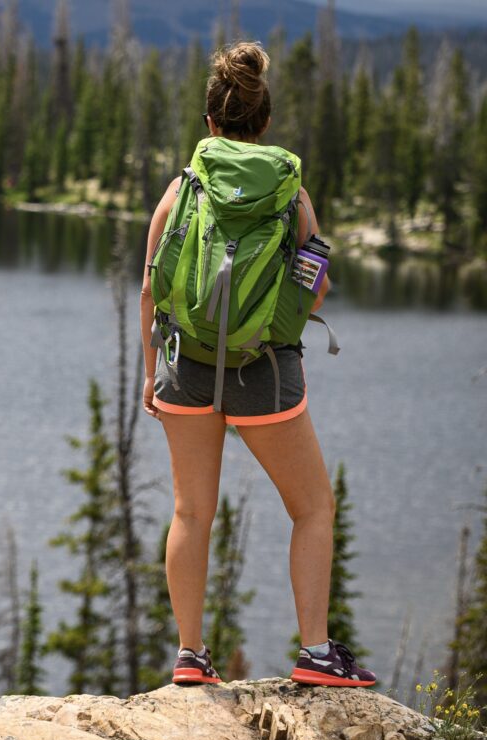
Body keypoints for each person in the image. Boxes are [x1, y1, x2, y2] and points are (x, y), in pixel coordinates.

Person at [138, 41, 375, 687]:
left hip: (184, 367)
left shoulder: (183, 187)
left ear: (210, 124)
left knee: (191, 512)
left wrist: (149, 371)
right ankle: (317, 654)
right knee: (312, 509)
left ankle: (191, 657)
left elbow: (151, 283)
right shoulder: (290, 192)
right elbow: (315, 284)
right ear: (264, 123)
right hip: (265, 372)